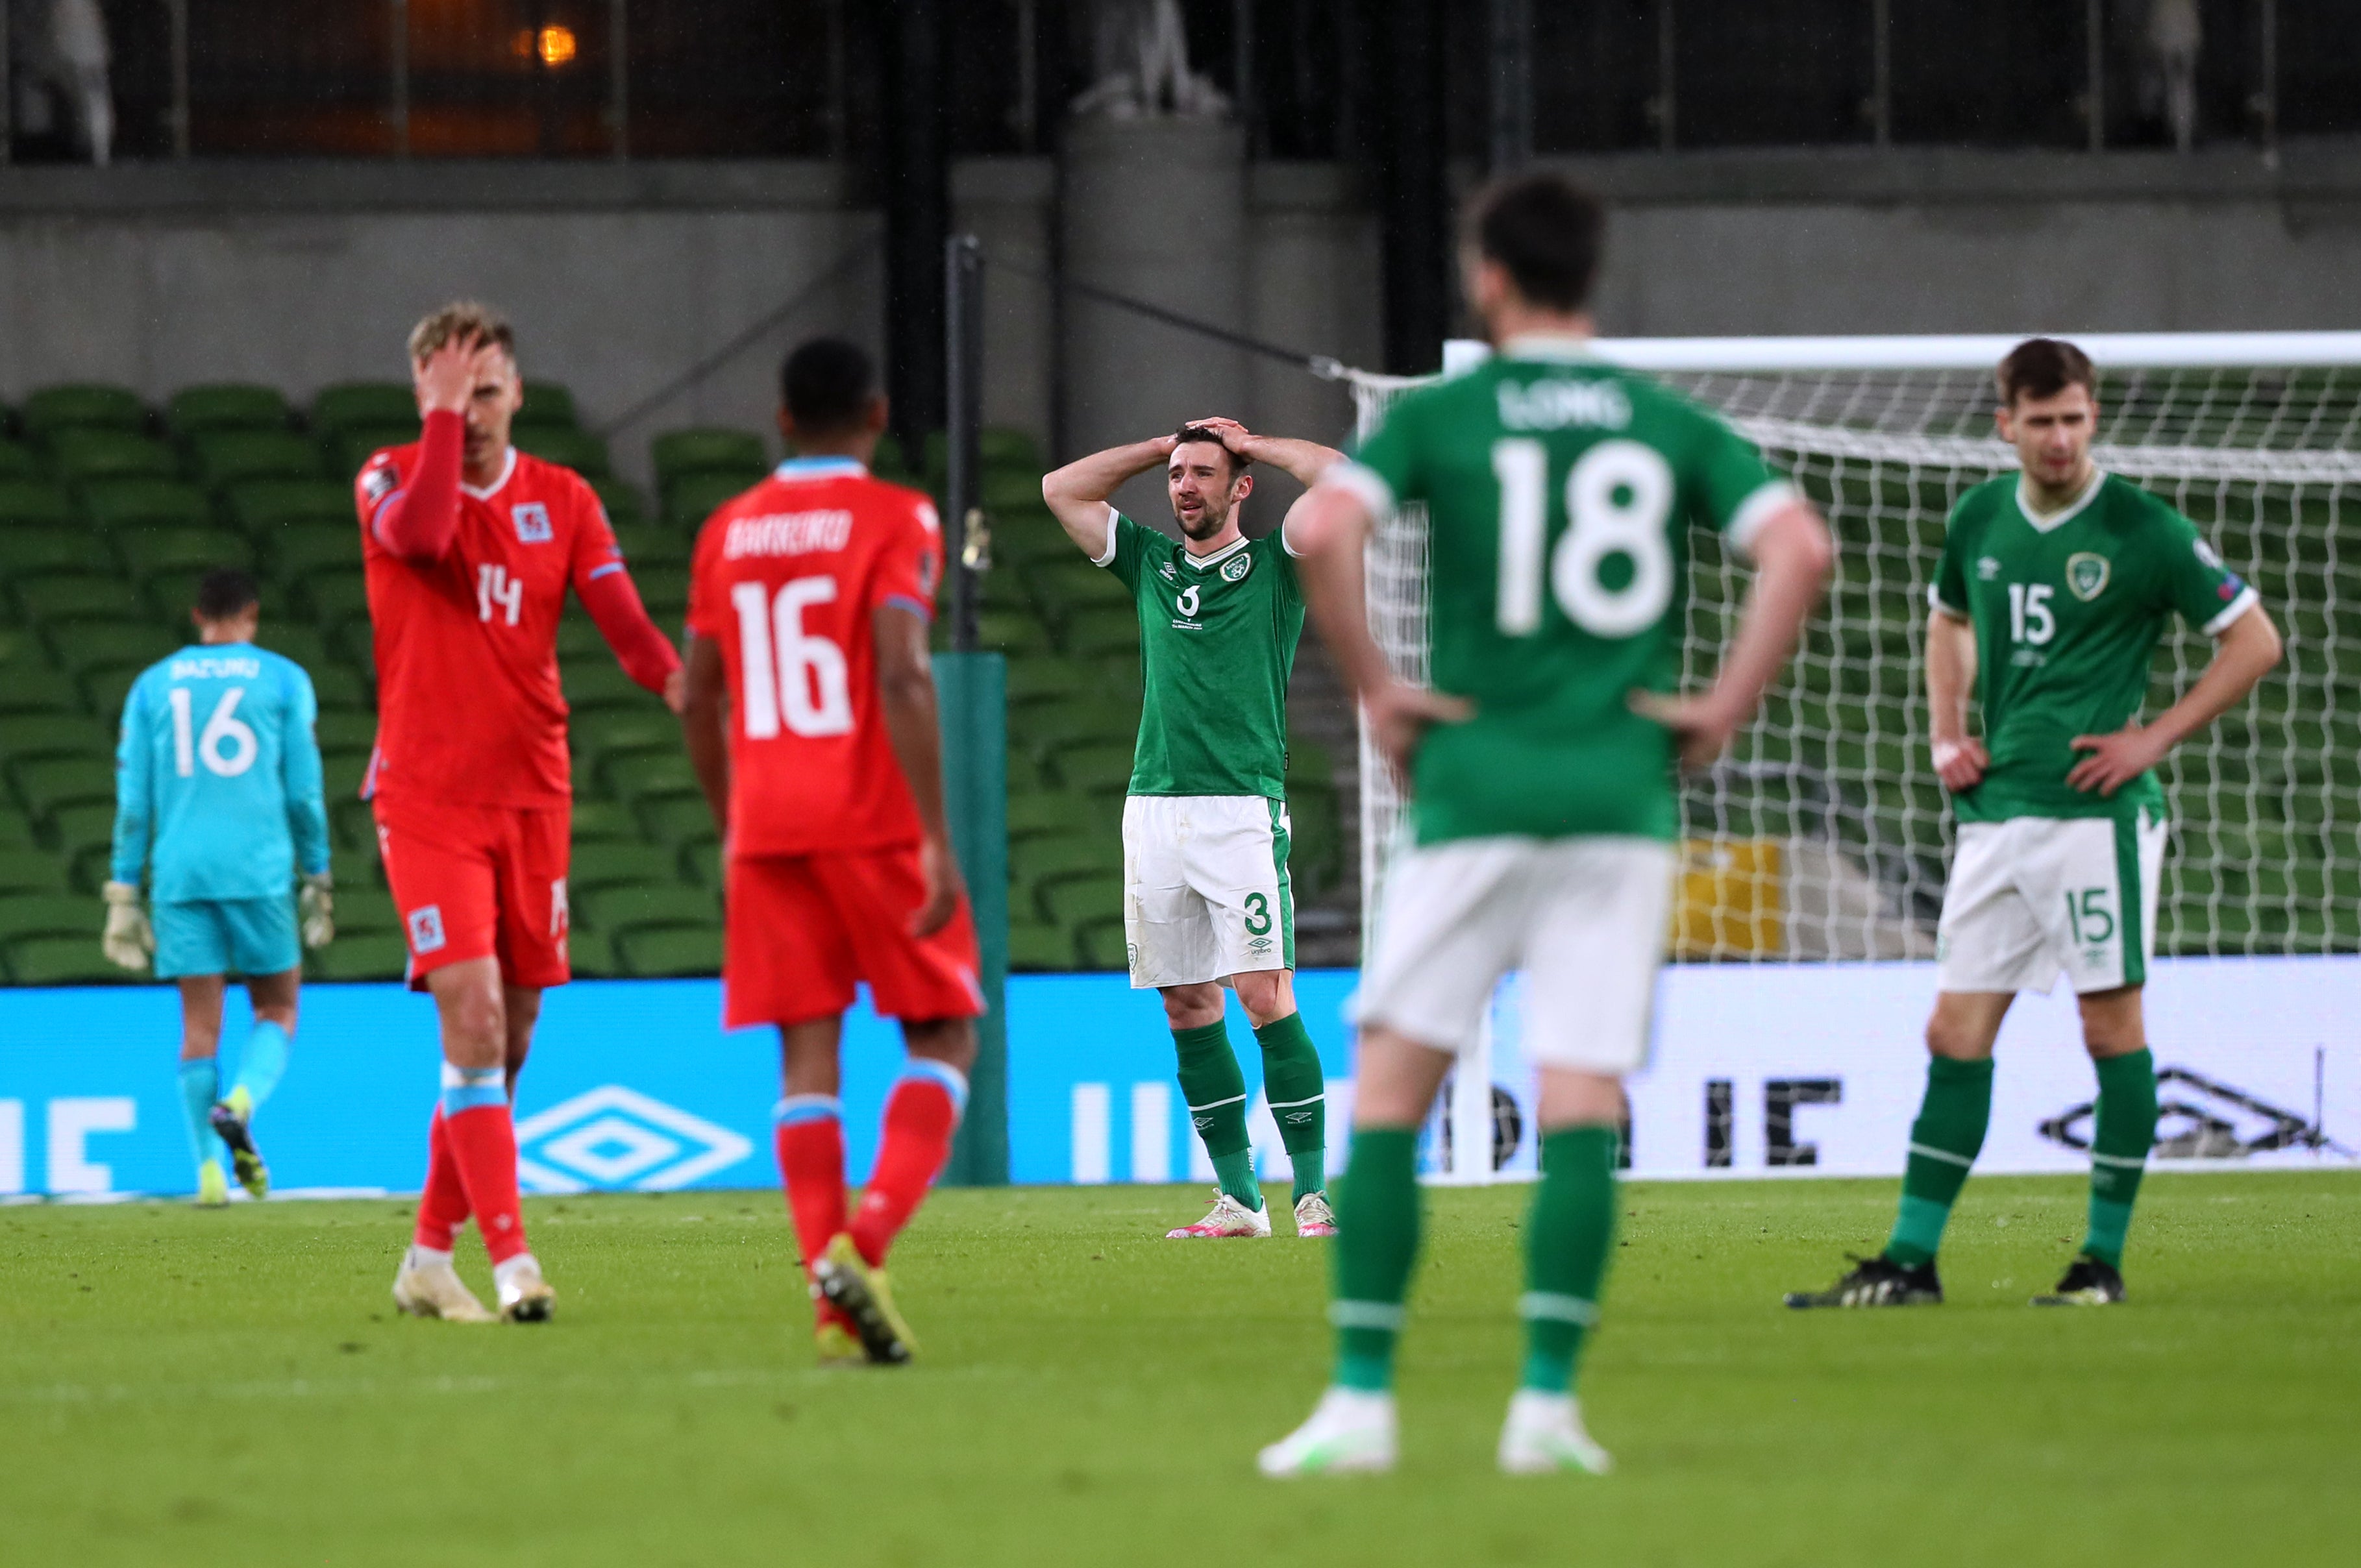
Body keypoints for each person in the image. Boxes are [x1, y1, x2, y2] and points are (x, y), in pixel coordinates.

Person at [1259, 171, 1834, 1476]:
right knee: (1579, 1097)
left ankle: (1359, 1402)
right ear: (1592, 274)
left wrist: (1382, 694)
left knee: (1396, 1099)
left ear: (1491, 279)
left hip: (1471, 791)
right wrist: (1724, 706)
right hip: (1617, 800)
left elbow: (1320, 527)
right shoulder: (1657, 419)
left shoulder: (1446, 414)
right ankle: (1547, 1408)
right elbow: (1799, 545)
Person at [1786, 337, 2281, 1313]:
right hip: (1996, 814)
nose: (2060, 439)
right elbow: (1947, 620)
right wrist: (1943, 732)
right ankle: (1909, 1264)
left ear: (2092, 417)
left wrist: (2152, 739)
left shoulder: (2140, 527)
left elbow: (2254, 641)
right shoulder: (1978, 518)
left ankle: (2098, 1264)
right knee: (1954, 1032)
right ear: (2004, 424)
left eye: (2075, 418)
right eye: (2041, 421)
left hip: (2093, 820)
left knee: (2110, 1033)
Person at [358, 300, 683, 1324]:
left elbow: (629, 636)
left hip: (535, 791)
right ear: (422, 397)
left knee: (512, 1031)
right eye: (452, 392)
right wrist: (440, 428)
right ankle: (512, 1266)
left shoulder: (566, 499)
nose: (474, 409)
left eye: (488, 389)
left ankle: (424, 1258)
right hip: (425, 793)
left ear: (520, 392)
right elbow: (421, 533)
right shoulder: (385, 478)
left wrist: (689, 695)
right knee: (476, 1016)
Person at [679, 336, 983, 1366]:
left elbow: (694, 692)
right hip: (870, 818)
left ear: (779, 417)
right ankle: (869, 1239)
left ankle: (828, 1311)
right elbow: (902, 672)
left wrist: (732, 824)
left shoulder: (726, 530)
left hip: (766, 824)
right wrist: (937, 836)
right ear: (878, 415)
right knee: (941, 1036)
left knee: (806, 1058)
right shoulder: (899, 517)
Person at [1041, 419, 1344, 1240]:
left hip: (1241, 807)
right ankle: (1240, 1200)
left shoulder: (1278, 566)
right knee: (1184, 1003)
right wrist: (1152, 446)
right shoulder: (1148, 561)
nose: (1184, 486)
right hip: (1154, 808)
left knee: (1262, 993)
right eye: (1177, 475)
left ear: (1239, 487)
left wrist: (1255, 441)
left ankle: (1313, 1194)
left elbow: (1343, 479)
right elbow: (1060, 488)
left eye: (1203, 473)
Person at [103, 569, 334, 1206]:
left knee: (199, 1028)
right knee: (278, 1009)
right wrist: (317, 872)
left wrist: (124, 888)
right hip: (258, 871)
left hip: (181, 875)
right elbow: (302, 790)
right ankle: (241, 1100)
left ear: (195, 614)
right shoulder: (284, 679)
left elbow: (135, 801)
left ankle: (209, 1175)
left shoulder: (152, 685)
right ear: (251, 615)